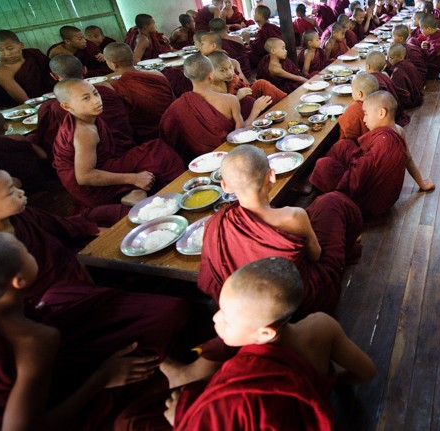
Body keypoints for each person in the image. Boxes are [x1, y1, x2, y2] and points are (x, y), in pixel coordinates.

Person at [0, 231, 189, 430]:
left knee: (63, 291)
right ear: (19, 281)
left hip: (45, 344)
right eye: (26, 253)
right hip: (55, 410)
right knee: (166, 317)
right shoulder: (34, 341)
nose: (32, 253)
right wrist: (102, 377)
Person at [165, 257, 375, 430]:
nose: (215, 318)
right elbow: (366, 372)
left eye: (227, 318)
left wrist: (182, 417)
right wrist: (326, 383)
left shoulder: (246, 382)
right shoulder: (322, 325)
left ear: (265, 333)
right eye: (220, 309)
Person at [198, 145, 364, 316]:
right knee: (333, 201)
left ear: (225, 186)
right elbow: (316, 255)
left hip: (249, 308)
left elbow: (211, 280)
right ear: (271, 176)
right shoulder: (293, 217)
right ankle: (348, 250)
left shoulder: (215, 224)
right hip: (297, 301)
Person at [0, 168, 92, 303]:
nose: (21, 192)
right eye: (11, 192)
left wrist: (98, 232)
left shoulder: (19, 215)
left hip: (71, 262)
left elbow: (65, 227)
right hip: (52, 296)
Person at [51, 79, 184, 209]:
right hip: (90, 187)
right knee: (158, 151)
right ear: (67, 106)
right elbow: (84, 177)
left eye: (95, 93)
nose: (96, 100)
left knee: (153, 150)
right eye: (86, 98)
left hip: (97, 165)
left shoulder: (84, 117)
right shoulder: (84, 133)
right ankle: (179, 191)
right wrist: (134, 178)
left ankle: (131, 192)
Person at [309, 91, 416, 217]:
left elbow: (357, 181)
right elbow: (407, 159)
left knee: (323, 165)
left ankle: (328, 193)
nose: (364, 119)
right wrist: (422, 184)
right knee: (344, 145)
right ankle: (321, 183)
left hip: (369, 203)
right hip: (385, 197)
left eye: (366, 114)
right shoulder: (397, 131)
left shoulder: (383, 141)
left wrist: (350, 170)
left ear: (381, 113)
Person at [160, 53, 261, 161]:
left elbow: (168, 136)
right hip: (228, 156)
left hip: (198, 161)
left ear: (185, 74)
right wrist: (256, 110)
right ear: (211, 74)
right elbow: (240, 135)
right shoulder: (230, 100)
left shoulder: (175, 107)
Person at [35, 54, 134, 161]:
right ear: (84, 70)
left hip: (91, 159)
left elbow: (51, 139)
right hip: (125, 146)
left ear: (54, 76)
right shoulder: (106, 90)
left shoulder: (53, 107)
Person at [103, 43, 174, 143]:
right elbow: (173, 100)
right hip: (172, 126)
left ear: (114, 64)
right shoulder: (157, 74)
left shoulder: (116, 87)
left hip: (147, 137)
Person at [0, 29, 55, 107]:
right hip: (19, 106)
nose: (7, 54)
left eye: (10, 48)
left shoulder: (33, 54)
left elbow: (55, 74)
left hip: (50, 96)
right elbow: (23, 100)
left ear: (21, 45)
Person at [363, 55, 410, 125]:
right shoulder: (385, 76)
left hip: (386, 113)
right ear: (385, 66)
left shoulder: (371, 81)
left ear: (368, 66)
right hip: (393, 109)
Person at [386, 43, 423, 108]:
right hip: (417, 97)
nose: (389, 60)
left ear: (401, 57)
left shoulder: (397, 72)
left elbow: (398, 92)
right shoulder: (409, 64)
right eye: (388, 57)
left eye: (391, 58)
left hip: (410, 101)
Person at [247, 5, 283, 70]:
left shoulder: (263, 31)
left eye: (255, 13)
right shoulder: (273, 26)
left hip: (267, 57)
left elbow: (258, 50)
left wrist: (248, 40)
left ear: (260, 16)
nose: (253, 15)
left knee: (245, 55)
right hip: (277, 53)